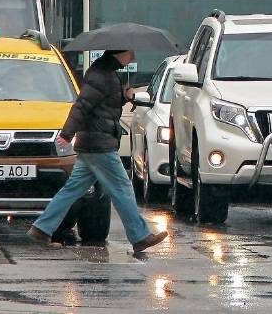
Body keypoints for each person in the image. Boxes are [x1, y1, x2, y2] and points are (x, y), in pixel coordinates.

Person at [27, 50, 168, 253]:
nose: (134, 57)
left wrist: (125, 97)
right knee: (122, 188)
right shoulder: (102, 75)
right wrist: (67, 133)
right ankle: (140, 236)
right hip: (99, 143)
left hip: (94, 142)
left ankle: (41, 229)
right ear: (120, 53)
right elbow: (82, 106)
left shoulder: (106, 73)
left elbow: (102, 105)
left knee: (72, 190)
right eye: (131, 53)